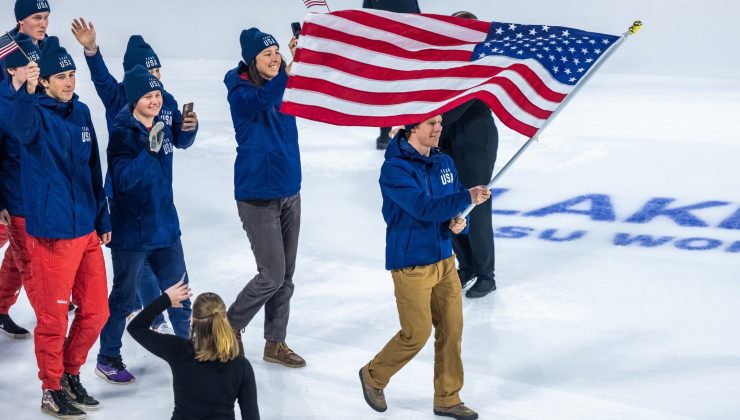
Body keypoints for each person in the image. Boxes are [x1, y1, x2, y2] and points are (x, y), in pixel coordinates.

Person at [71, 19, 197, 335]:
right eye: (149, 73)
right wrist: (91, 50)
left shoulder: (165, 100)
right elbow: (100, 78)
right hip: (126, 193)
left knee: (161, 261)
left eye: (158, 72)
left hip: (157, 195)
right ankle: (149, 316)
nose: (156, 80)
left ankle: (164, 319)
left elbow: (179, 140)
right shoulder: (119, 97)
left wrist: (189, 131)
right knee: (139, 263)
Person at [358, 116, 489, 420]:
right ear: (411, 128)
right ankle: (373, 375)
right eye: (431, 123)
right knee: (415, 333)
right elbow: (423, 208)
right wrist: (466, 196)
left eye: (440, 121)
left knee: (452, 330)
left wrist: (461, 222)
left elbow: (452, 205)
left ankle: (448, 397)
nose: (438, 128)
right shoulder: (394, 170)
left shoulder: (444, 162)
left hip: (444, 259)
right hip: (411, 264)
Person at [12, 36, 111, 418]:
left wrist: (101, 218)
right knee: (52, 320)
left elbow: (93, 169)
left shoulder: (82, 112)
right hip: (51, 234)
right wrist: (26, 89)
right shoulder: (34, 113)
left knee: (97, 311)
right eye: (62, 76)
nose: (69, 81)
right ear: (46, 82)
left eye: (72, 74)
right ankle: (50, 388)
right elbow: (20, 130)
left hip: (85, 229)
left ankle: (69, 374)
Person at [95, 64, 197, 385]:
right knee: (124, 299)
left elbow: (179, 144)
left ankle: (192, 355)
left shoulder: (162, 127)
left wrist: (189, 130)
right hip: (133, 232)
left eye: (157, 95)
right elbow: (122, 180)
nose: (155, 101)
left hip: (165, 226)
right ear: (134, 99)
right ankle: (108, 357)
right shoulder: (122, 131)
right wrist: (147, 150)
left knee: (181, 294)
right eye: (148, 96)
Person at [223, 27, 306, 368]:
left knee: (285, 277)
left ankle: (275, 342)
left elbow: (308, 80)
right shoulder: (240, 91)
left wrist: (305, 52)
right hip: (257, 196)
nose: (274, 59)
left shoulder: (285, 81)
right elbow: (263, 100)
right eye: (266, 54)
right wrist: (288, 73)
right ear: (252, 61)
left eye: (277, 53)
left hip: (290, 191)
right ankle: (228, 326)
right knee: (271, 274)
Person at [128, 280, 260, 420]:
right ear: (224, 320)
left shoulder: (178, 350)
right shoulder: (241, 366)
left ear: (192, 320)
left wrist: (166, 299)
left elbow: (135, 328)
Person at [439, 11, 500, 298]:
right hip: (448, 133)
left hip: (475, 135)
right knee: (452, 203)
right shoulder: (448, 59)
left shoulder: (481, 62)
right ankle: (468, 266)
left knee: (476, 204)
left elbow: (454, 107)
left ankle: (487, 274)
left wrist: (425, 120)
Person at [0, 33, 41, 340]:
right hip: (12, 197)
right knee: (26, 259)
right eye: (27, 64)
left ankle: (0, 309)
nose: (34, 68)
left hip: (38, 195)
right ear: (11, 69)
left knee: (18, 257)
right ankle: (49, 316)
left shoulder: (40, 94)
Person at [362, 0, 420, 150]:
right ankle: (405, 133)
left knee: (387, 92)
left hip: (386, 47)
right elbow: (418, 18)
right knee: (406, 90)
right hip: (404, 46)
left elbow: (366, 19)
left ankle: (385, 135)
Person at [1, 0, 51, 83]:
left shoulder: (47, 44)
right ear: (20, 20)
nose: (43, 24)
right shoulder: (5, 50)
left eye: (46, 17)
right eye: (37, 18)